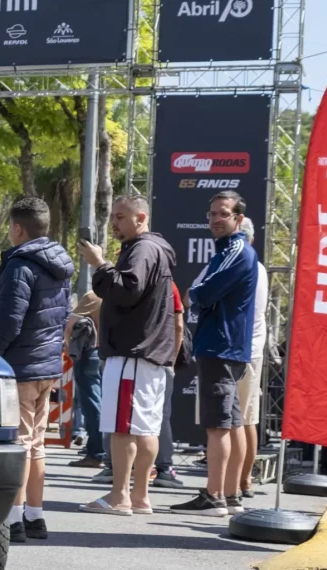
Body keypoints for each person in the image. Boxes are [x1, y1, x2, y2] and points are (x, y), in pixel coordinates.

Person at [0, 197, 74, 541]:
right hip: (47, 365)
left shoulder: (20, 266)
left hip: (19, 365)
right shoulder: (61, 265)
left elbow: (9, 321)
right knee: (36, 444)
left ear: (18, 228)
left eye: (9, 226)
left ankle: (15, 520)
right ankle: (36, 515)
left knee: (19, 444)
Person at [76, 194, 176, 516]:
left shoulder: (143, 248)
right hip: (149, 353)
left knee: (123, 428)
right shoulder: (152, 249)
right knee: (146, 427)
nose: (114, 223)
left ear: (141, 218)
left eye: (121, 217)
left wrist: (100, 264)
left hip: (133, 352)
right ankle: (140, 496)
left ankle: (120, 496)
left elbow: (126, 289)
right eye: (114, 216)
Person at [171, 191, 258, 517]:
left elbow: (204, 292)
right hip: (224, 344)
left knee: (218, 426)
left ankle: (214, 497)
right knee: (231, 423)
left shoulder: (237, 249)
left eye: (223, 213)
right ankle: (231, 495)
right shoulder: (229, 249)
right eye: (211, 214)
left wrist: (197, 292)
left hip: (221, 344)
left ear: (238, 219)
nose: (215, 219)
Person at [238, 217, 268, 498]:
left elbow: (194, 296)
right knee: (247, 419)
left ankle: (236, 482)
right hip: (251, 350)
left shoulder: (244, 265)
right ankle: (243, 481)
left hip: (241, 350)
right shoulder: (257, 266)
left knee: (238, 420)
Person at [66, 292, 107, 469]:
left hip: (89, 352)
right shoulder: (120, 293)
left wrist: (68, 346)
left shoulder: (94, 295)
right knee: (101, 402)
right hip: (108, 354)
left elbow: (70, 324)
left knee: (91, 404)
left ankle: (97, 452)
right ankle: (101, 449)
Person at [153, 282, 187, 488]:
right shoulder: (169, 285)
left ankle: (115, 466)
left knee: (122, 416)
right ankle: (164, 468)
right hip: (162, 357)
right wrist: (172, 360)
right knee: (160, 416)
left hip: (130, 357)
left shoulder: (122, 279)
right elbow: (179, 324)